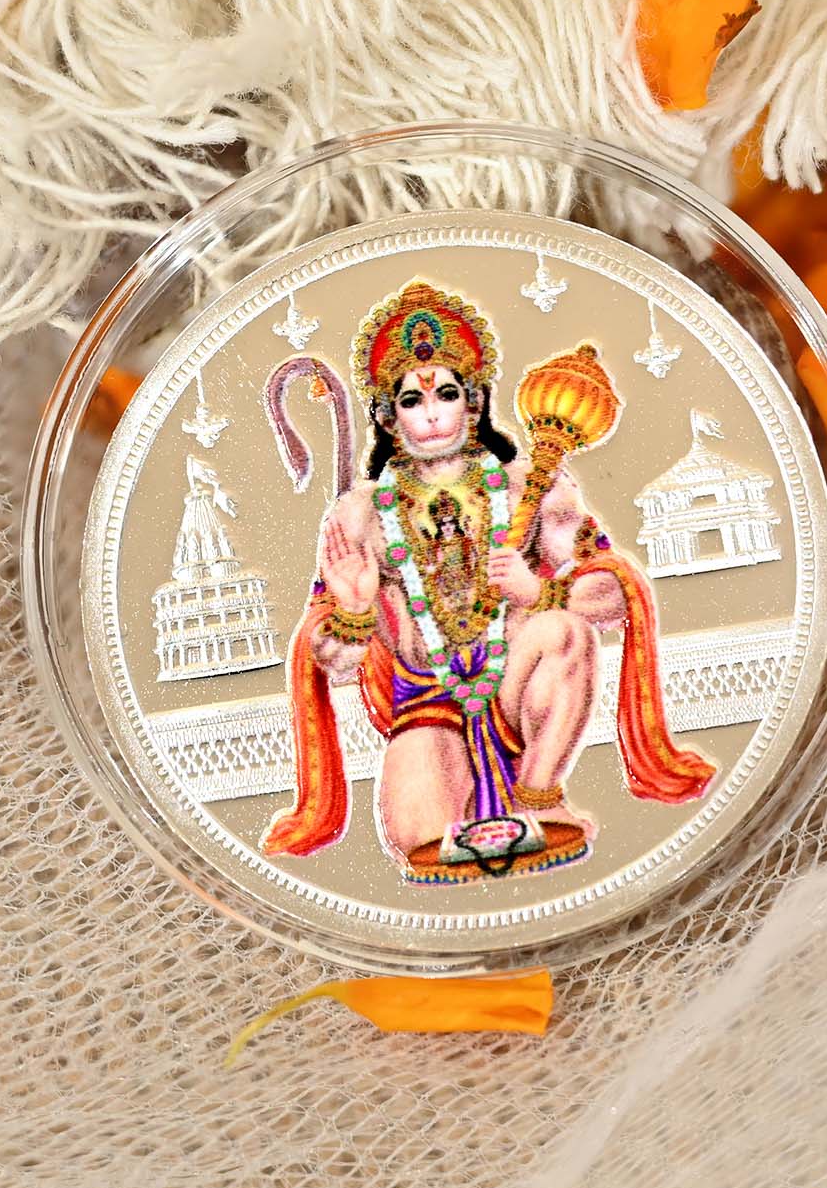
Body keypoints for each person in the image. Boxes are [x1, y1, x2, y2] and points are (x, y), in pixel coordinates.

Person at [263, 279, 714, 885]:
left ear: (473, 404)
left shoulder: (532, 486)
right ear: (388, 416)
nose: (431, 413)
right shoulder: (360, 514)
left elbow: (610, 596)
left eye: (446, 394)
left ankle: (539, 795)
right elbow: (334, 662)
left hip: (516, 682)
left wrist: (538, 592)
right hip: (426, 700)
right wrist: (355, 609)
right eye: (411, 400)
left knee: (563, 631)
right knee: (421, 842)